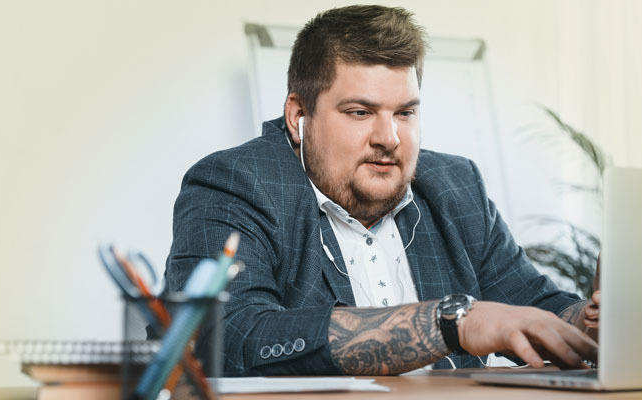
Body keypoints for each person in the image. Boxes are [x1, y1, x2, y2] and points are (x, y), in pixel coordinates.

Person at [165, 4, 601, 376]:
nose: (389, 137)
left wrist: (591, 320)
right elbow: (230, 335)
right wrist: (449, 322)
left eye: (405, 112)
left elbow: (535, 308)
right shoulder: (234, 183)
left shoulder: (456, 186)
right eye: (360, 112)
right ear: (299, 115)